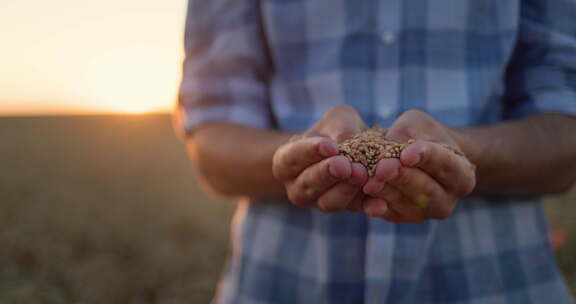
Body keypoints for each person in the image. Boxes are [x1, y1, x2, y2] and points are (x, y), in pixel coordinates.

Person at [175, 0, 576, 303]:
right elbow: (213, 148)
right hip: (279, 283)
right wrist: (300, 154)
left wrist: (464, 152)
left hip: (501, 284)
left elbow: (563, 141)